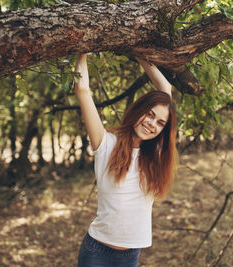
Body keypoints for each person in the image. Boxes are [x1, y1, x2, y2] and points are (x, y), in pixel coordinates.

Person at [74, 53, 177, 267]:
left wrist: (139, 52)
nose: (152, 124)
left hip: (131, 255)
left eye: (160, 123)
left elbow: (166, 90)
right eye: (149, 114)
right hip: (96, 252)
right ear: (139, 110)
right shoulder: (106, 143)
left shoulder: (154, 155)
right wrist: (82, 50)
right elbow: (82, 90)